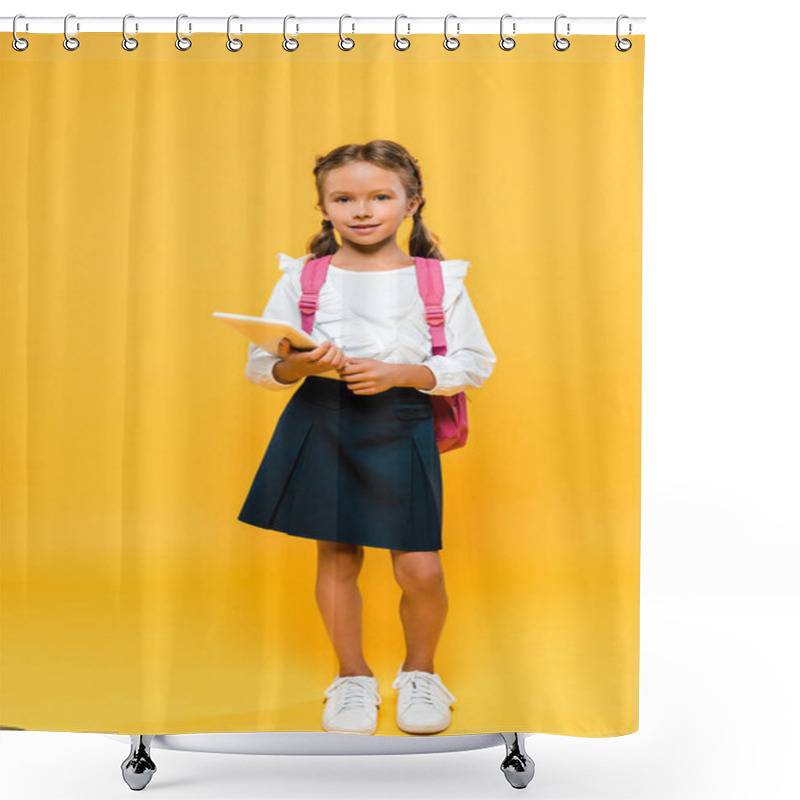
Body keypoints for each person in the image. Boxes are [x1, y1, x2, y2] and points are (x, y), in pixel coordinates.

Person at [237, 140, 496, 736]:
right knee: (337, 554)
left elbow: (475, 362)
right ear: (324, 207)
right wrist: (300, 364)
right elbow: (263, 365)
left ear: (411, 203)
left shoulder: (437, 281)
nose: (362, 209)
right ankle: (352, 679)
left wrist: (401, 374)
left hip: (399, 423)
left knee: (420, 569)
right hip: (321, 421)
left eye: (380, 196)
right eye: (343, 197)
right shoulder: (304, 278)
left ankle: (420, 673)